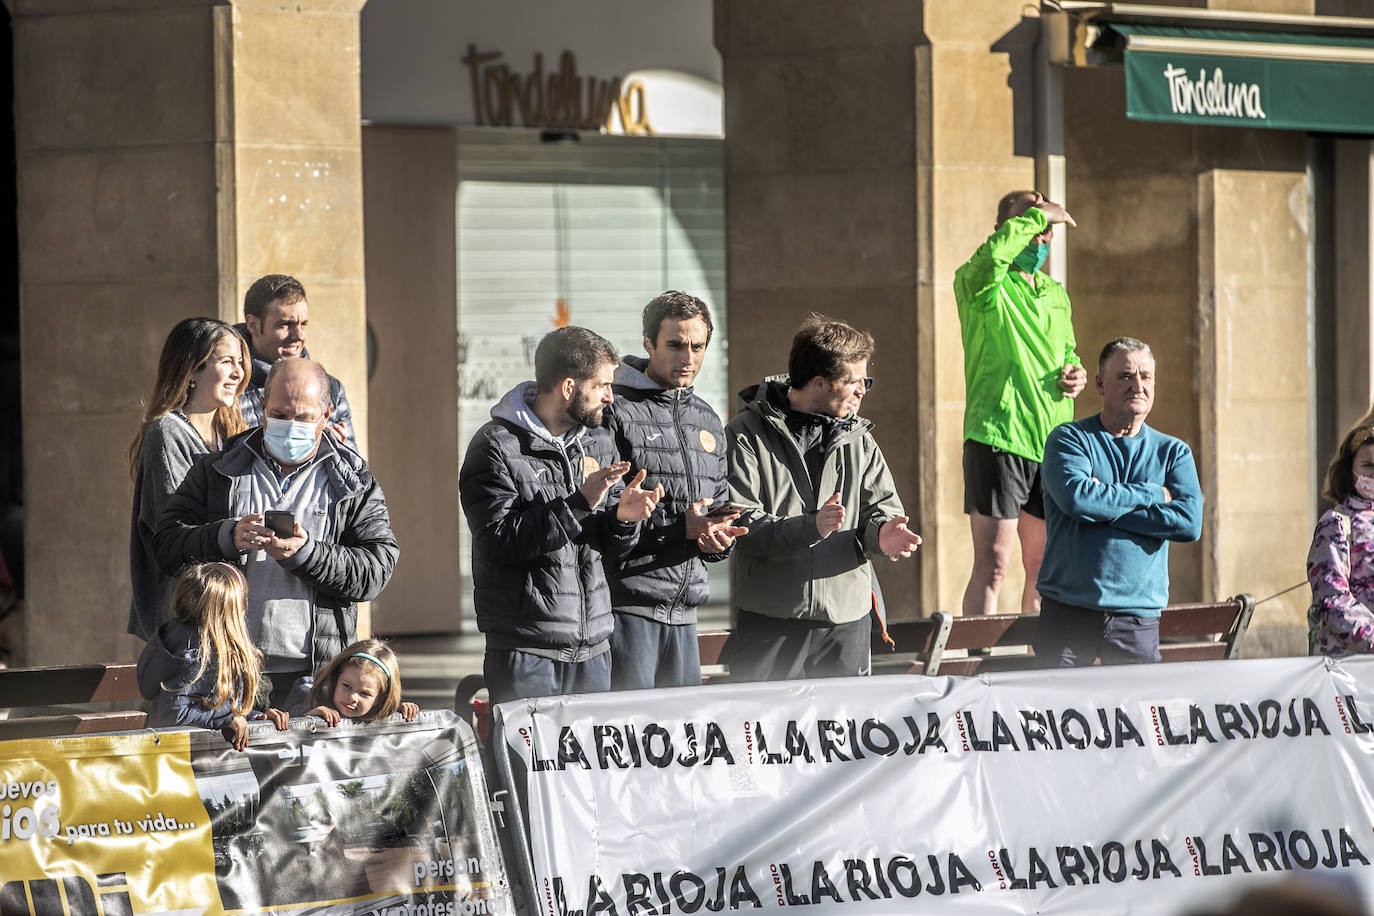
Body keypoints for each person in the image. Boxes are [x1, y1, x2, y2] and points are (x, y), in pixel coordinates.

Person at [153, 358, 399, 710]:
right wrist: (225, 537)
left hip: (317, 678)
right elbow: (166, 545)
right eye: (280, 414)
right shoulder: (219, 468)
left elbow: (376, 569)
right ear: (263, 406)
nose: (290, 426)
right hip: (227, 670)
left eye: (304, 418)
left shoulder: (353, 481)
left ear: (326, 416)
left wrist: (308, 554)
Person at [459, 326, 663, 704]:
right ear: (569, 387)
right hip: (527, 651)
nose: (610, 396)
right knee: (528, 747)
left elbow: (611, 549)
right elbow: (498, 541)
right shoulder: (495, 446)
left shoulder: (598, 441)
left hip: (594, 649)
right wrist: (578, 504)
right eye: (601, 386)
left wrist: (623, 520)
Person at [726, 315, 922, 681]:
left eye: (866, 380)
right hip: (772, 621)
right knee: (768, 721)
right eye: (854, 381)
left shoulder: (860, 440)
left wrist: (882, 535)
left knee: (848, 721)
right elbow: (740, 524)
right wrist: (810, 527)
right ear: (819, 383)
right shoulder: (745, 435)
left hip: (847, 622)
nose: (863, 391)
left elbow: (882, 510)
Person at [603, 292, 747, 690]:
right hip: (626, 608)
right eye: (675, 345)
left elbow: (717, 505)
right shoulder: (615, 409)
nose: (688, 357)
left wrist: (717, 539)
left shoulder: (707, 418)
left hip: (686, 612)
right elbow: (602, 517)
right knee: (631, 724)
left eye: (697, 347)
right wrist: (678, 528)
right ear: (648, 343)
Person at [955, 190, 1086, 618]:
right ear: (1002, 229)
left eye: (1047, 228)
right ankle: (978, 656)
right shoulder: (980, 283)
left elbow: (1067, 351)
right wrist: (1037, 215)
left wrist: (1076, 373)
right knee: (994, 565)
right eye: (1029, 222)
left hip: (1050, 443)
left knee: (1044, 568)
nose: (1041, 234)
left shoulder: (1055, 293)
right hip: (998, 437)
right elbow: (992, 259)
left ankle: (1040, 655)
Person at [1035, 337, 1202, 667]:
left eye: (1146, 376)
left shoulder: (1174, 452)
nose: (1138, 385)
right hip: (1068, 614)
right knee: (1055, 702)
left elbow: (1189, 522)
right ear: (1100, 384)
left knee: (1136, 704)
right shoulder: (1069, 440)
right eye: (1125, 376)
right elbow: (1079, 500)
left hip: (1136, 618)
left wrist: (1103, 506)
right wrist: (1153, 494)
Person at [128, 318, 250, 640]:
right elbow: (177, 531)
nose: (238, 373)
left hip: (226, 612)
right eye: (226, 362)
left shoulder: (232, 436)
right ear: (193, 370)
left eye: (240, 362)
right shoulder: (166, 432)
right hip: (186, 615)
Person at [137, 562, 290, 750]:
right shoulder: (197, 651)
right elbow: (172, 715)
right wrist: (226, 718)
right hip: (181, 757)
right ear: (231, 611)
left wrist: (257, 718)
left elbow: (210, 705)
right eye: (244, 600)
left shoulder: (188, 638)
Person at [234, 274, 355, 449]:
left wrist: (336, 453)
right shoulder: (228, 388)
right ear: (253, 325)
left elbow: (354, 464)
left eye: (303, 324)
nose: (299, 335)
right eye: (284, 325)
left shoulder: (331, 389)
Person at [1307, 424, 1374, 655]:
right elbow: (1332, 598)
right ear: (1349, 470)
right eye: (1368, 466)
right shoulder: (1336, 523)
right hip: (1350, 667)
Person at [300, 639, 419, 724]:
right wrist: (310, 718)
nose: (352, 697)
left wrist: (399, 712)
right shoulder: (306, 694)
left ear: (381, 698)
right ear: (335, 679)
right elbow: (291, 739)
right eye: (346, 686)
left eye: (364, 693)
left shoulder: (379, 713)